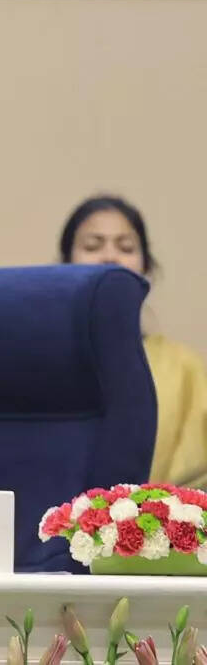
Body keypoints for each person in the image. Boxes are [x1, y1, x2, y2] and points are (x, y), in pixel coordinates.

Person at [60, 195, 207, 487]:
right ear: (65, 264)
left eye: (126, 247)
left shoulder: (184, 368)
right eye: (92, 246)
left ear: (146, 268)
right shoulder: (43, 361)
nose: (110, 256)